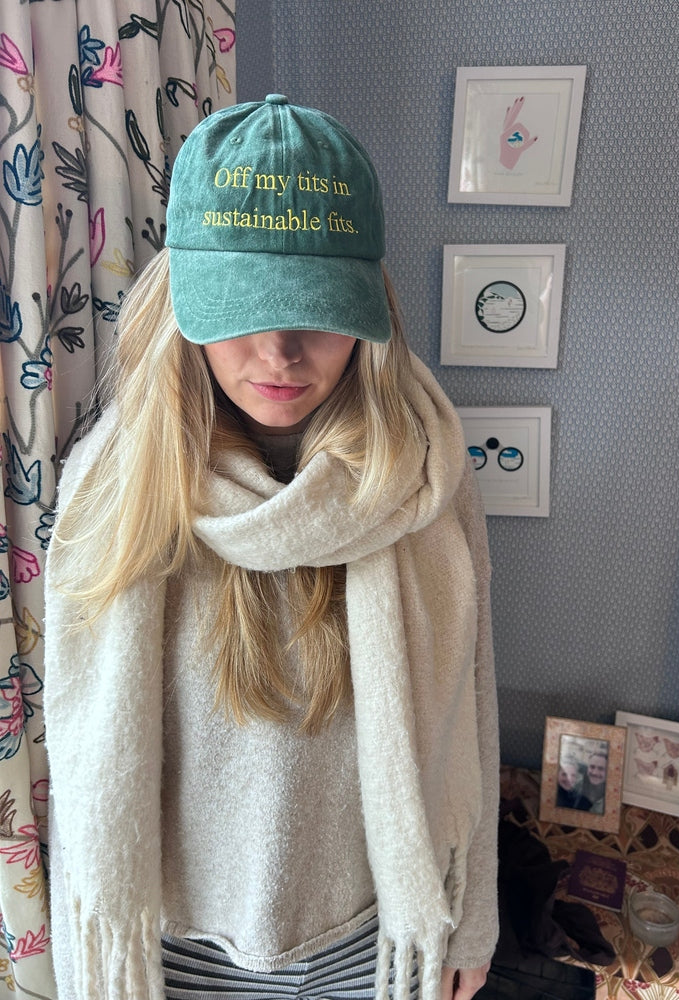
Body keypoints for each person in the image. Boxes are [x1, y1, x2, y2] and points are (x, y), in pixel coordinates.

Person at [44, 96, 500, 1000]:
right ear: (182, 305)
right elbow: (87, 753)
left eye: (316, 314)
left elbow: (472, 699)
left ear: (368, 311)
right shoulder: (116, 487)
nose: (280, 353)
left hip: (382, 933)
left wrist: (472, 916)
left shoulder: (425, 475)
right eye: (244, 310)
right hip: (178, 945)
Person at [578, 750, 608, 814]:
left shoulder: (610, 796)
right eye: (592, 767)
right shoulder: (577, 785)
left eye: (601, 769)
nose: (595, 773)